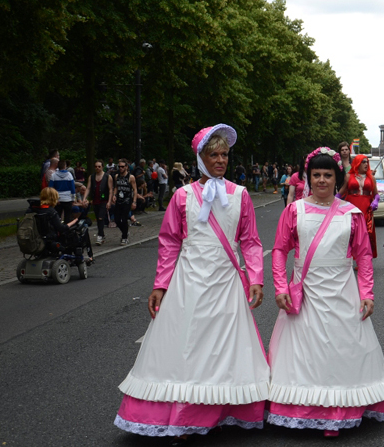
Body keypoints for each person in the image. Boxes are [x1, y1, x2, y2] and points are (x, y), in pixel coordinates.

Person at [115, 124, 269, 439]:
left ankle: (223, 410)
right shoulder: (182, 196)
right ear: (200, 157)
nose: (221, 160)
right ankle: (183, 416)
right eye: (214, 154)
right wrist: (160, 285)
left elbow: (251, 242)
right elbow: (170, 243)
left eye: (225, 154)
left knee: (224, 350)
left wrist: (255, 278)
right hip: (189, 282)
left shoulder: (240, 195)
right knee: (187, 347)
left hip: (226, 282)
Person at [268, 147, 384, 437]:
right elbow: (279, 250)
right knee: (305, 353)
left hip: (342, 290)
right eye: (317, 175)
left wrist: (367, 293)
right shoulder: (294, 211)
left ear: (337, 178)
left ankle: (339, 411)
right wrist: (280, 286)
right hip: (306, 291)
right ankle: (305, 408)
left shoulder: (351, 214)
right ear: (308, 177)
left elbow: (363, 256)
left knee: (340, 350)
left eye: (328, 175)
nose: (322, 180)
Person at [31, 187, 93, 262]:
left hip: (37, 236)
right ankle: (86, 256)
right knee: (81, 229)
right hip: (52, 238)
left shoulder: (33, 209)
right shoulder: (51, 211)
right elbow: (61, 228)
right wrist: (74, 221)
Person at [341, 154, 379, 257]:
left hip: (366, 207)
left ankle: (363, 257)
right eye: (363, 162)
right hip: (351, 206)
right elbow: (342, 191)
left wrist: (376, 201)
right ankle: (350, 255)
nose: (366, 164)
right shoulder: (349, 176)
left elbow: (376, 194)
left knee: (365, 233)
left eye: (367, 162)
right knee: (351, 232)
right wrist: (332, 201)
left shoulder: (371, 177)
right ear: (357, 163)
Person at [108, 159, 137, 246]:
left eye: (122, 167)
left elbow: (135, 190)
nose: (120, 168)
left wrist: (134, 201)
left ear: (126, 167)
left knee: (124, 219)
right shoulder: (117, 176)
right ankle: (125, 232)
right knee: (117, 219)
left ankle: (124, 237)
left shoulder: (131, 177)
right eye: (119, 166)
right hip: (119, 200)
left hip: (127, 200)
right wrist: (114, 195)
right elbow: (116, 187)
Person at [86, 160, 112, 246]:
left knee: (101, 217)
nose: (97, 168)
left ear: (102, 167)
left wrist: (109, 201)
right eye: (96, 166)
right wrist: (84, 198)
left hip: (104, 200)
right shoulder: (92, 177)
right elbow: (88, 188)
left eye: (99, 166)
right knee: (98, 218)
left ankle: (100, 236)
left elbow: (110, 189)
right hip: (95, 200)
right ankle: (102, 234)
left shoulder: (107, 177)